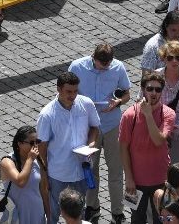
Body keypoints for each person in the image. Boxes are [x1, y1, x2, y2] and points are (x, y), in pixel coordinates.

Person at [67, 44, 131, 223]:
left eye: (108, 63)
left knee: (116, 171)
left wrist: (118, 102)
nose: (105, 66)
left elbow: (126, 94)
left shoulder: (117, 67)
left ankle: (117, 212)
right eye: (102, 63)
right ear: (93, 57)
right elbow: (68, 92)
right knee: (90, 170)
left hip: (112, 125)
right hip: (87, 128)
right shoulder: (77, 67)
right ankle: (92, 207)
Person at [36, 71, 100, 222]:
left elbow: (94, 128)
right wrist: (44, 177)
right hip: (59, 174)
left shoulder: (86, 104)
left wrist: (91, 144)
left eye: (75, 91)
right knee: (53, 214)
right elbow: (41, 148)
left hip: (81, 170)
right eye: (68, 92)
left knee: (79, 212)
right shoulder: (47, 115)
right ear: (58, 89)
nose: (73, 95)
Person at [120, 72, 176, 224]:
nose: (153, 93)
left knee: (162, 219)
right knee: (136, 219)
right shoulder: (129, 115)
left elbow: (158, 141)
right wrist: (129, 178)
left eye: (158, 90)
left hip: (161, 179)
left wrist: (148, 115)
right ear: (143, 89)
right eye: (150, 89)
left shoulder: (168, 114)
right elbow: (123, 148)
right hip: (135, 182)